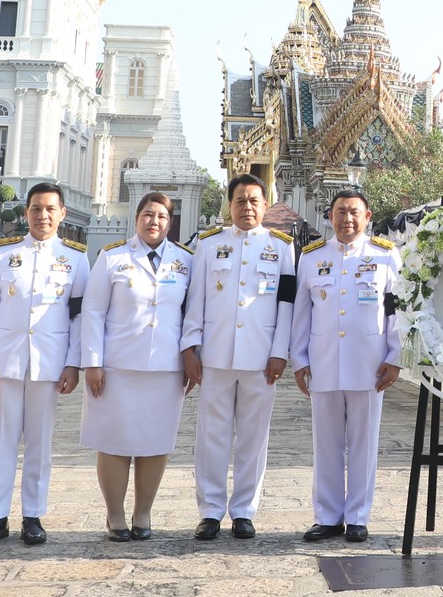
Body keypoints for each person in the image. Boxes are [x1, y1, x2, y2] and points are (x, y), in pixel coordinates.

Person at [0, 182, 87, 546]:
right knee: (2, 442)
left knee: (40, 443)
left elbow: (79, 317)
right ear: (26, 213)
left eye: (51, 209)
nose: (43, 216)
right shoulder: (4, 254)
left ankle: (33, 515)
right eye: (36, 209)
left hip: (48, 364)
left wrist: (73, 364)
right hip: (5, 361)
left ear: (62, 214)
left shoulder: (76, 258)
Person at [181, 174, 296, 541]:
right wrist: (190, 348)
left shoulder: (281, 248)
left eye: (254, 201)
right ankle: (211, 511)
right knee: (211, 436)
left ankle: (245, 510)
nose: (247, 207)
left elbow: (287, 306)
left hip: (261, 359)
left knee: (253, 437)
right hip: (215, 355)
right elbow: (195, 300)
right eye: (240, 201)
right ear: (229, 205)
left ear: (265, 205)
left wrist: (280, 352)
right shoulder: (208, 245)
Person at [82, 191, 197, 540]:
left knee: (154, 444)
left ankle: (143, 513)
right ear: (137, 218)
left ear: (170, 222)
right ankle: (115, 515)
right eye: (148, 214)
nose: (154, 222)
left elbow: (191, 313)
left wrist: (191, 357)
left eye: (162, 217)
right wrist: (92, 362)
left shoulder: (185, 261)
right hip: (117, 367)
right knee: (114, 442)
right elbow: (93, 311)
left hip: (165, 368)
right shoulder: (113, 257)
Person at [293, 188, 403, 543]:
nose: (347, 218)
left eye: (354, 212)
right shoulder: (312, 258)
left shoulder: (385, 257)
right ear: (330, 217)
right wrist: (299, 358)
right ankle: (327, 516)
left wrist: (395, 357)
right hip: (324, 363)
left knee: (363, 443)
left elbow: (397, 311)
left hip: (369, 365)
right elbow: (301, 313)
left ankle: (357, 515)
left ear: (367, 217)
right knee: (325, 443)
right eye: (340, 212)